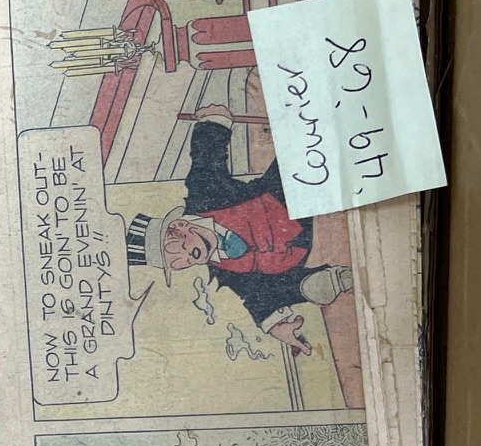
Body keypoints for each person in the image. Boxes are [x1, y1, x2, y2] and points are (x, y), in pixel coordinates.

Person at [127, 106, 352, 354]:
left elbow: (205, 161)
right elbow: (251, 295)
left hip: (283, 196)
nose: (189, 258)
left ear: (179, 226)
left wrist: (214, 122)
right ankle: (323, 282)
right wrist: (275, 325)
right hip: (296, 251)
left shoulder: (204, 197)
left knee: (305, 151)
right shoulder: (225, 270)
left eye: (180, 248)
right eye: (181, 264)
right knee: (268, 288)